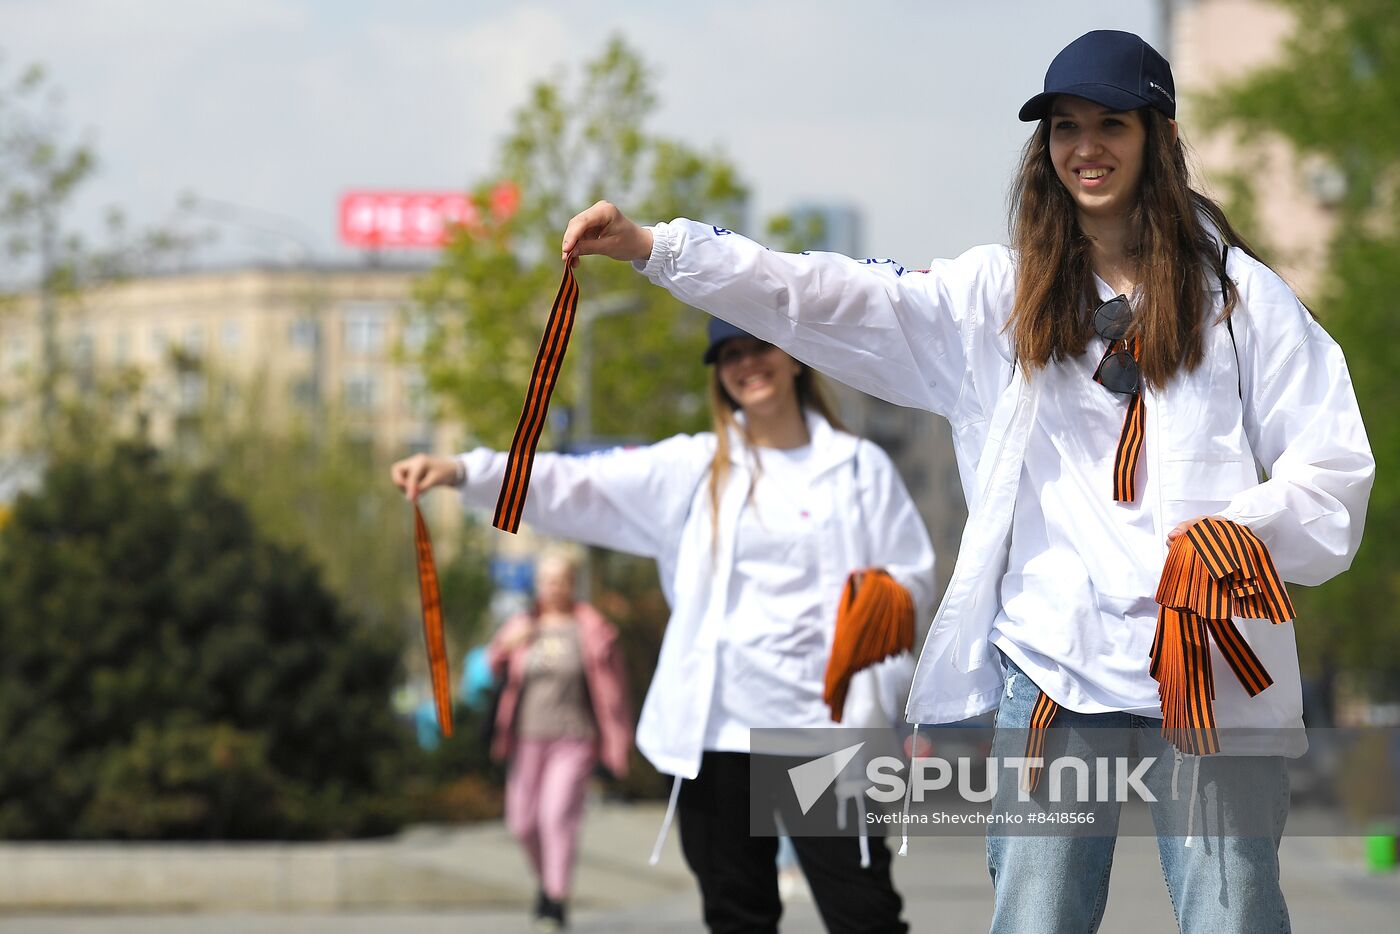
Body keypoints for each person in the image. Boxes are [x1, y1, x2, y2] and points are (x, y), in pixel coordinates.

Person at [557, 28, 1374, 934]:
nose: (1086, 147)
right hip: (1058, 665)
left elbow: (1333, 463)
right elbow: (823, 293)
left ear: (1158, 137)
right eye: (1065, 127)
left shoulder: (1240, 301)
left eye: (1111, 123)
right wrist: (658, 249)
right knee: (1036, 916)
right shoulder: (997, 299)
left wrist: (1242, 535)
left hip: (1208, 664)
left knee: (1235, 916)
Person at [392, 319, 936, 933]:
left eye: (760, 347)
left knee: (865, 917)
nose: (746, 364)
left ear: (795, 358)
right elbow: (577, 482)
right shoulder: (694, 468)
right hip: (717, 734)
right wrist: (466, 472)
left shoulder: (858, 468)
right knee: (737, 918)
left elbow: (911, 578)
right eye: (729, 354)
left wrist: (877, 654)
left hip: (819, 735)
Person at [481, 550, 632, 932]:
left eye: (559, 580)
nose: (552, 588)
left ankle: (556, 901)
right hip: (526, 740)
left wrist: (618, 742)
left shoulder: (591, 627)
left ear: (571, 584)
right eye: (545, 580)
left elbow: (615, 692)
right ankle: (548, 886)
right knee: (522, 823)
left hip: (574, 738)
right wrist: (508, 645)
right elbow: (486, 667)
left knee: (556, 816)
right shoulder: (521, 624)